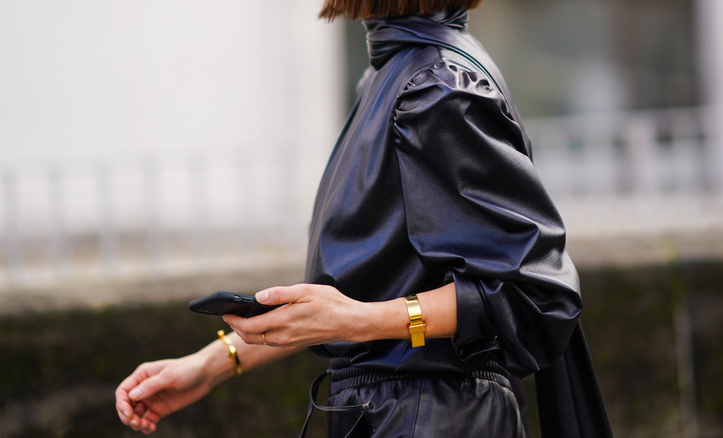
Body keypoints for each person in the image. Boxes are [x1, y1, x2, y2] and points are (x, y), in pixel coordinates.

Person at [116, 1, 612, 436]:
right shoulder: (396, 74)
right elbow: (351, 294)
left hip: (435, 416)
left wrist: (355, 321)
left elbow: (531, 298)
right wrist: (209, 365)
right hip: (402, 414)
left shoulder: (435, 86)